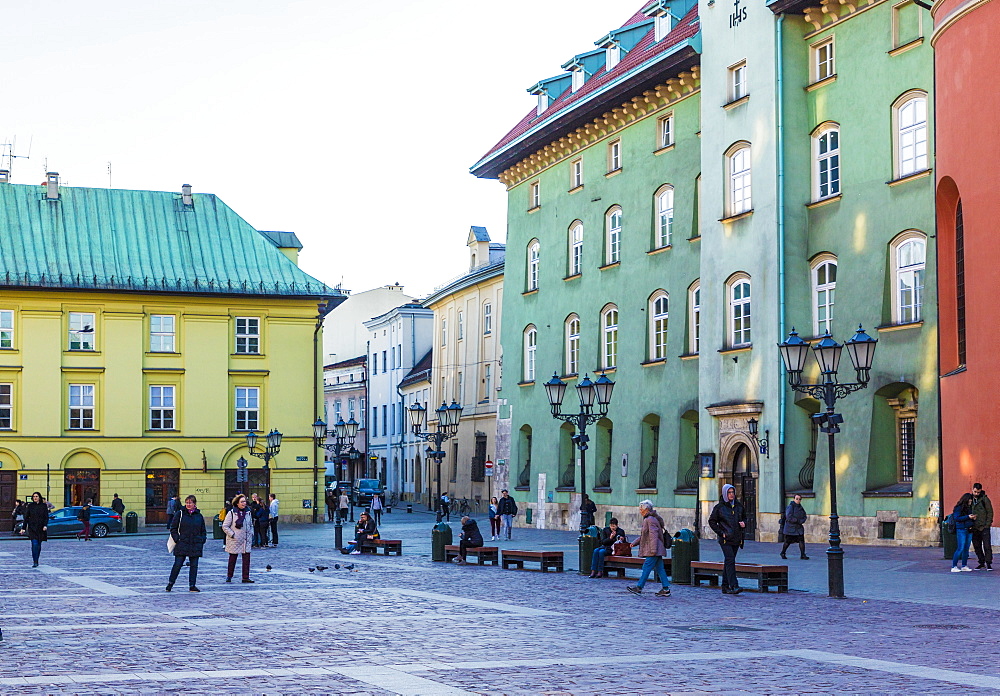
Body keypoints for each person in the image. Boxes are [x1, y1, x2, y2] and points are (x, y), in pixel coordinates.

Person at [626, 501, 671, 596]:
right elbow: (644, 535)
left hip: (654, 549)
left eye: (641, 509)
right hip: (656, 549)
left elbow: (653, 536)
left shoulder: (649, 520)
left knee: (646, 567)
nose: (640, 511)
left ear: (646, 509)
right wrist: (635, 543)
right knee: (660, 569)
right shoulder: (652, 519)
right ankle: (666, 589)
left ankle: (639, 587)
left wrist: (653, 550)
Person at [709, 483, 746, 594]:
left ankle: (725, 586)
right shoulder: (720, 507)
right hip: (725, 539)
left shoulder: (739, 506)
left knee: (729, 561)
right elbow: (712, 521)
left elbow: (745, 518)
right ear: (725, 494)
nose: (731, 495)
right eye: (729, 492)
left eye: (733, 492)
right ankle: (734, 585)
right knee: (730, 560)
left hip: (736, 538)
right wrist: (721, 532)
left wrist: (744, 523)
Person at [166, 494, 207, 592]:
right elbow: (173, 528)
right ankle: (171, 583)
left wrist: (202, 539)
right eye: (187, 502)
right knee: (178, 564)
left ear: (194, 504)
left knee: (194, 566)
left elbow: (203, 530)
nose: (188, 504)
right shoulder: (180, 514)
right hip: (182, 543)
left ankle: (192, 585)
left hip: (195, 543)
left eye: (190, 503)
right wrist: (177, 539)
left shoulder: (199, 516)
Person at [222, 494, 254, 583]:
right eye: (242, 502)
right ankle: (229, 576)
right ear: (237, 503)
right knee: (232, 559)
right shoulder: (232, 513)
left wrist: (251, 533)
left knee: (246, 559)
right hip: (235, 540)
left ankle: (245, 577)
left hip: (246, 539)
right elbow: (225, 526)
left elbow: (251, 524)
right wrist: (232, 534)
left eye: (245, 501)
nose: (244, 503)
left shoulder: (248, 512)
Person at [951, 492, 977, 572]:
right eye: (969, 501)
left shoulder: (969, 508)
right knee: (960, 548)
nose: (970, 502)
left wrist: (972, 518)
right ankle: (954, 566)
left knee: (966, 548)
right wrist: (968, 517)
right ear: (966, 500)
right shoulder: (958, 508)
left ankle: (964, 565)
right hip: (961, 529)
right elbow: (957, 518)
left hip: (968, 529)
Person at [21, 492, 48, 567]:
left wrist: (45, 525)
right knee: (34, 543)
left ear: (39, 497)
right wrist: (23, 528)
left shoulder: (43, 506)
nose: (35, 498)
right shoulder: (30, 506)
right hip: (32, 527)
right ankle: (35, 561)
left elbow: (46, 517)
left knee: (38, 544)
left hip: (41, 527)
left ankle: (37, 559)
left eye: (36, 496)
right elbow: (26, 517)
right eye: (34, 496)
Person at [971, 483, 994, 571]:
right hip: (974, 527)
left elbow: (990, 512)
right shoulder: (970, 499)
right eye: (975, 492)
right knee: (977, 546)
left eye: (978, 492)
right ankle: (981, 562)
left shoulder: (985, 499)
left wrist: (987, 524)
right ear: (972, 489)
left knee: (987, 546)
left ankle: (988, 563)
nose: (976, 494)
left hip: (984, 527)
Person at [780, 494, 809, 560]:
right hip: (790, 528)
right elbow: (788, 517)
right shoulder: (790, 507)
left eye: (799, 499)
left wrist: (802, 521)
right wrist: (797, 520)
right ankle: (783, 552)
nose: (798, 500)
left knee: (801, 541)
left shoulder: (800, 507)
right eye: (797, 499)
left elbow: (804, 515)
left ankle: (803, 554)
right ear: (794, 499)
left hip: (798, 528)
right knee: (787, 542)